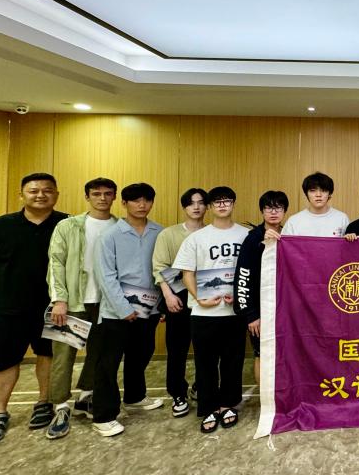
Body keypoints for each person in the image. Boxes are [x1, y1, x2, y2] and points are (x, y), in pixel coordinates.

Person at [0, 173, 67, 446]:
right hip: (7, 307)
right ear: (21, 194)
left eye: (47, 190)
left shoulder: (68, 225)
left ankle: (45, 402)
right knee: (2, 360)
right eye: (33, 190)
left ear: (56, 195)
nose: (40, 195)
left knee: (49, 356)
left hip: (54, 307)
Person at [43, 177, 119, 439]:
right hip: (72, 301)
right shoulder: (69, 226)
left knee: (99, 353)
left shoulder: (120, 227)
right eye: (96, 194)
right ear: (87, 197)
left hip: (106, 304)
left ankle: (86, 396)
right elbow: (56, 262)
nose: (102, 198)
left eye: (107, 193)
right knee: (63, 355)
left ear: (114, 197)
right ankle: (60, 406)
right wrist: (59, 299)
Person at [173, 186, 250, 433]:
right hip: (203, 312)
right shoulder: (197, 238)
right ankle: (208, 408)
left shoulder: (246, 235)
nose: (222, 205)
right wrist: (199, 298)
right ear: (210, 206)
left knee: (233, 362)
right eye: (217, 201)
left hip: (234, 312)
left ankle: (228, 404)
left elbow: (253, 271)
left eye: (227, 200)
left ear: (233, 204)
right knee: (205, 363)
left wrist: (241, 297)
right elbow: (187, 273)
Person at [92, 183, 164, 437]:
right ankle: (103, 416)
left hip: (149, 309)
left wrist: (161, 305)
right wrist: (123, 308)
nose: (142, 205)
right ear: (124, 203)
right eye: (135, 200)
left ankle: (135, 397)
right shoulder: (110, 235)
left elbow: (163, 270)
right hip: (116, 312)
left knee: (141, 354)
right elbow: (105, 276)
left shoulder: (159, 232)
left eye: (147, 200)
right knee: (108, 364)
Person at [152, 188, 208, 417]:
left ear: (207, 206)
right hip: (178, 297)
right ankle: (178, 393)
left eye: (201, 202)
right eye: (191, 203)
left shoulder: (213, 233)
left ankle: (201, 386)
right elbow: (159, 266)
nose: (196, 207)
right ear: (184, 207)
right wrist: (168, 295)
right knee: (177, 348)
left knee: (206, 348)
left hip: (206, 296)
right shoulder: (169, 234)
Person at [234, 190, 288, 387]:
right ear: (262, 211)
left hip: (285, 309)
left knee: (286, 353)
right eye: (268, 208)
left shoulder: (289, 235)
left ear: (284, 211)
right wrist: (251, 315)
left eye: (278, 208)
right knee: (262, 354)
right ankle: (264, 400)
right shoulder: (253, 238)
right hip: (260, 310)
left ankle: (283, 396)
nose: (273, 212)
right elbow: (243, 277)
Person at [282, 172, 349, 237]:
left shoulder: (342, 218)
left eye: (323, 190)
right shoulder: (293, 221)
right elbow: (283, 244)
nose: (318, 195)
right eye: (313, 190)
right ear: (306, 194)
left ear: (329, 194)